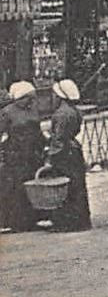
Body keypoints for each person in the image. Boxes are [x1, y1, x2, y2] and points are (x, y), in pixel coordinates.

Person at [39, 79, 90, 232]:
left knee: (63, 187)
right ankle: (80, 220)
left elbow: (59, 139)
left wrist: (50, 158)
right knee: (76, 185)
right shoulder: (74, 111)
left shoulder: (61, 114)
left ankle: (66, 222)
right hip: (74, 150)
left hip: (64, 154)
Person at [0, 81, 46, 232]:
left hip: (33, 153)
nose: (31, 101)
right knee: (16, 186)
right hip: (16, 154)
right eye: (28, 98)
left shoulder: (33, 110)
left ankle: (33, 218)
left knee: (31, 184)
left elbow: (38, 129)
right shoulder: (7, 112)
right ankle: (16, 221)